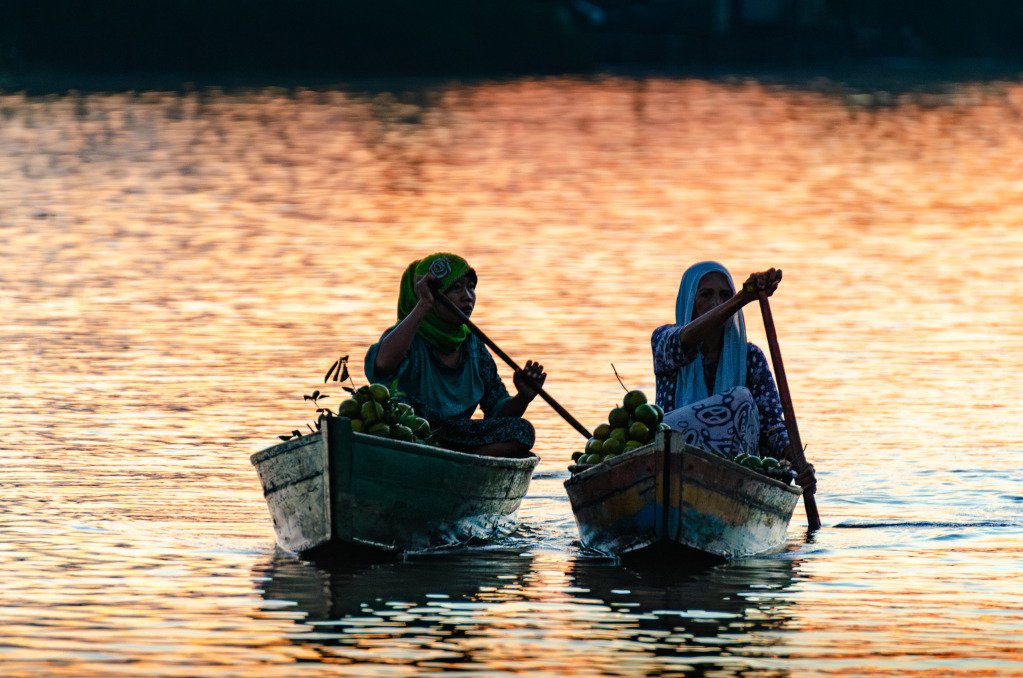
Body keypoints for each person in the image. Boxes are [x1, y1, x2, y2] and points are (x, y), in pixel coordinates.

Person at [651, 261, 816, 493]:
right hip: (675, 465)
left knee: (742, 400)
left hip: (736, 474)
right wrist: (741, 298)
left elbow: (772, 426)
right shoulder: (664, 341)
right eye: (706, 295)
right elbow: (682, 342)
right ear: (689, 301)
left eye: (724, 295)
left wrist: (799, 463)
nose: (717, 303)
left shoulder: (750, 358)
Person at [365, 253, 546, 458]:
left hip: (459, 438)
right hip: (411, 434)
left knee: (521, 430)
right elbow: (381, 365)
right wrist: (424, 304)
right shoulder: (406, 336)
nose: (467, 296)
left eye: (470, 287)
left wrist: (523, 397)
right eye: (456, 288)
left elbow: (497, 411)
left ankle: (466, 466)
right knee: (401, 410)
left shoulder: (475, 347)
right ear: (434, 295)